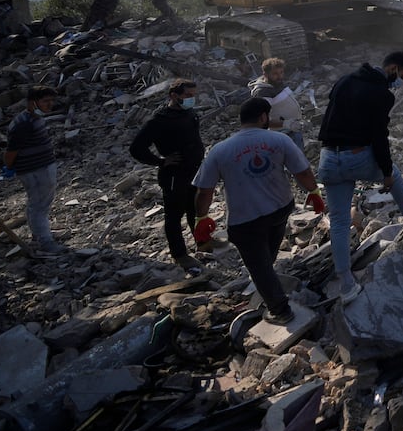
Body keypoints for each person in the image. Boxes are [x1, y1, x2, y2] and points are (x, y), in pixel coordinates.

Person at [193, 97, 322, 324]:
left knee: (259, 265)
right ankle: (270, 289)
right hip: (279, 209)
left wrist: (201, 218)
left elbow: (205, 191)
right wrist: (313, 193)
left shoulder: (220, 150)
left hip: (245, 219)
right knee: (265, 258)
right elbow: (302, 172)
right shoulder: (279, 140)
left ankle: (280, 310)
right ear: (263, 117)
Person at [317, 52, 403, 301]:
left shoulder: (344, 81)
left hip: (329, 159)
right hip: (356, 156)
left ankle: (346, 285)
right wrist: (385, 172)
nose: (401, 82)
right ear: (394, 68)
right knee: (395, 175)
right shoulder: (381, 94)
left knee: (340, 222)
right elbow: (379, 136)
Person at [130, 79, 206, 273]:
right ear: (174, 95)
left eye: (193, 95)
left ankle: (202, 242)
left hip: (195, 171)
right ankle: (180, 254)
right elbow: (136, 148)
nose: (192, 99)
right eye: (188, 96)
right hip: (175, 176)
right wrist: (161, 161)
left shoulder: (189, 113)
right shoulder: (159, 120)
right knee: (174, 216)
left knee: (195, 210)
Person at [4, 85, 65, 255]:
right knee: (39, 206)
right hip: (35, 170)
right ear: (33, 102)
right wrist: (8, 166)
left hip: (40, 167)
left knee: (37, 204)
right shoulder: (24, 124)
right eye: (46, 101)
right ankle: (45, 242)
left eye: (52, 100)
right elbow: (11, 152)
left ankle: (38, 236)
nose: (50, 104)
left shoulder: (34, 118)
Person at [249, 56, 304, 150]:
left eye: (281, 72)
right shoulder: (262, 92)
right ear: (265, 74)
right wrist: (286, 124)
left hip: (294, 130)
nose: (279, 76)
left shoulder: (279, 84)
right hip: (281, 136)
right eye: (275, 74)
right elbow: (261, 121)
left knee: (299, 160)